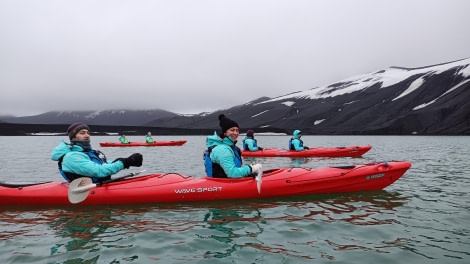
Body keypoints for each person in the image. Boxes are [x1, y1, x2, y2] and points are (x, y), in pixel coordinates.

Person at [51, 123, 143, 183]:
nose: (87, 135)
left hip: (102, 184)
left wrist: (128, 161)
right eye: (82, 133)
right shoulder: (71, 157)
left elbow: (105, 164)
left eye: (88, 133)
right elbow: (98, 171)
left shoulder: (92, 152)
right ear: (73, 137)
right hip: (87, 189)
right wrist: (124, 162)